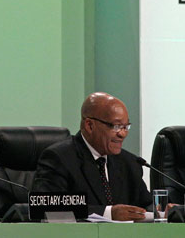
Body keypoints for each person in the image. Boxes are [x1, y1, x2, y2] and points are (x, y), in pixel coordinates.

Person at [32, 92, 152, 221]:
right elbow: (47, 207)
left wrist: (163, 211)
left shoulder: (130, 163)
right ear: (90, 125)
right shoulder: (59, 158)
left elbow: (146, 205)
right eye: (116, 126)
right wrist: (108, 213)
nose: (122, 134)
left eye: (125, 126)